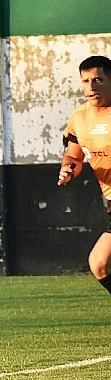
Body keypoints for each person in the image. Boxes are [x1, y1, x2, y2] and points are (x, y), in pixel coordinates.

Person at [58, 55, 111, 296]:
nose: (91, 87)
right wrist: (68, 168)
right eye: (86, 81)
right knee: (100, 265)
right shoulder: (79, 118)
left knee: (99, 260)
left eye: (98, 80)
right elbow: (74, 156)